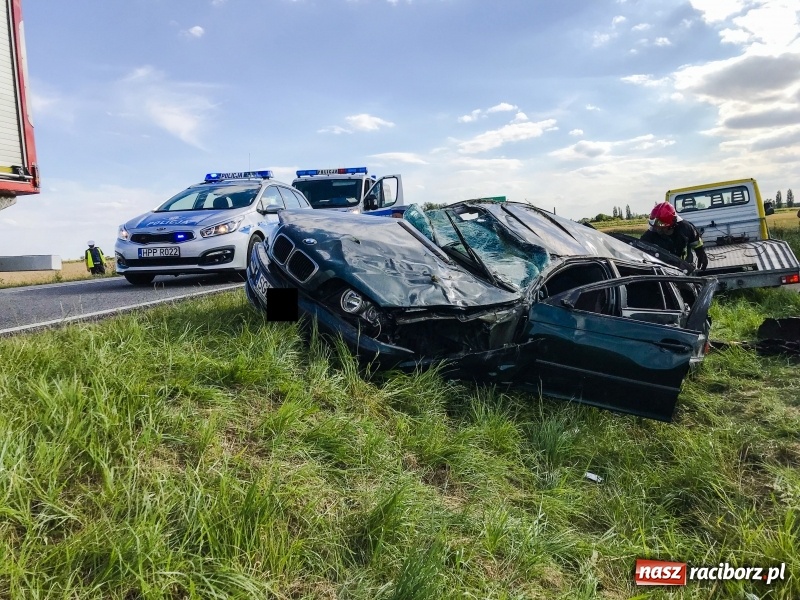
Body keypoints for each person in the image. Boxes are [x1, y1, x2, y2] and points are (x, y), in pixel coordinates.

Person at [641, 202, 708, 272]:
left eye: (661, 227)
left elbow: (696, 241)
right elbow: (640, 247)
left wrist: (700, 252)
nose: (658, 230)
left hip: (684, 268)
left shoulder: (685, 228)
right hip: (663, 269)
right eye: (655, 227)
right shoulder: (650, 234)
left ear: (672, 224)